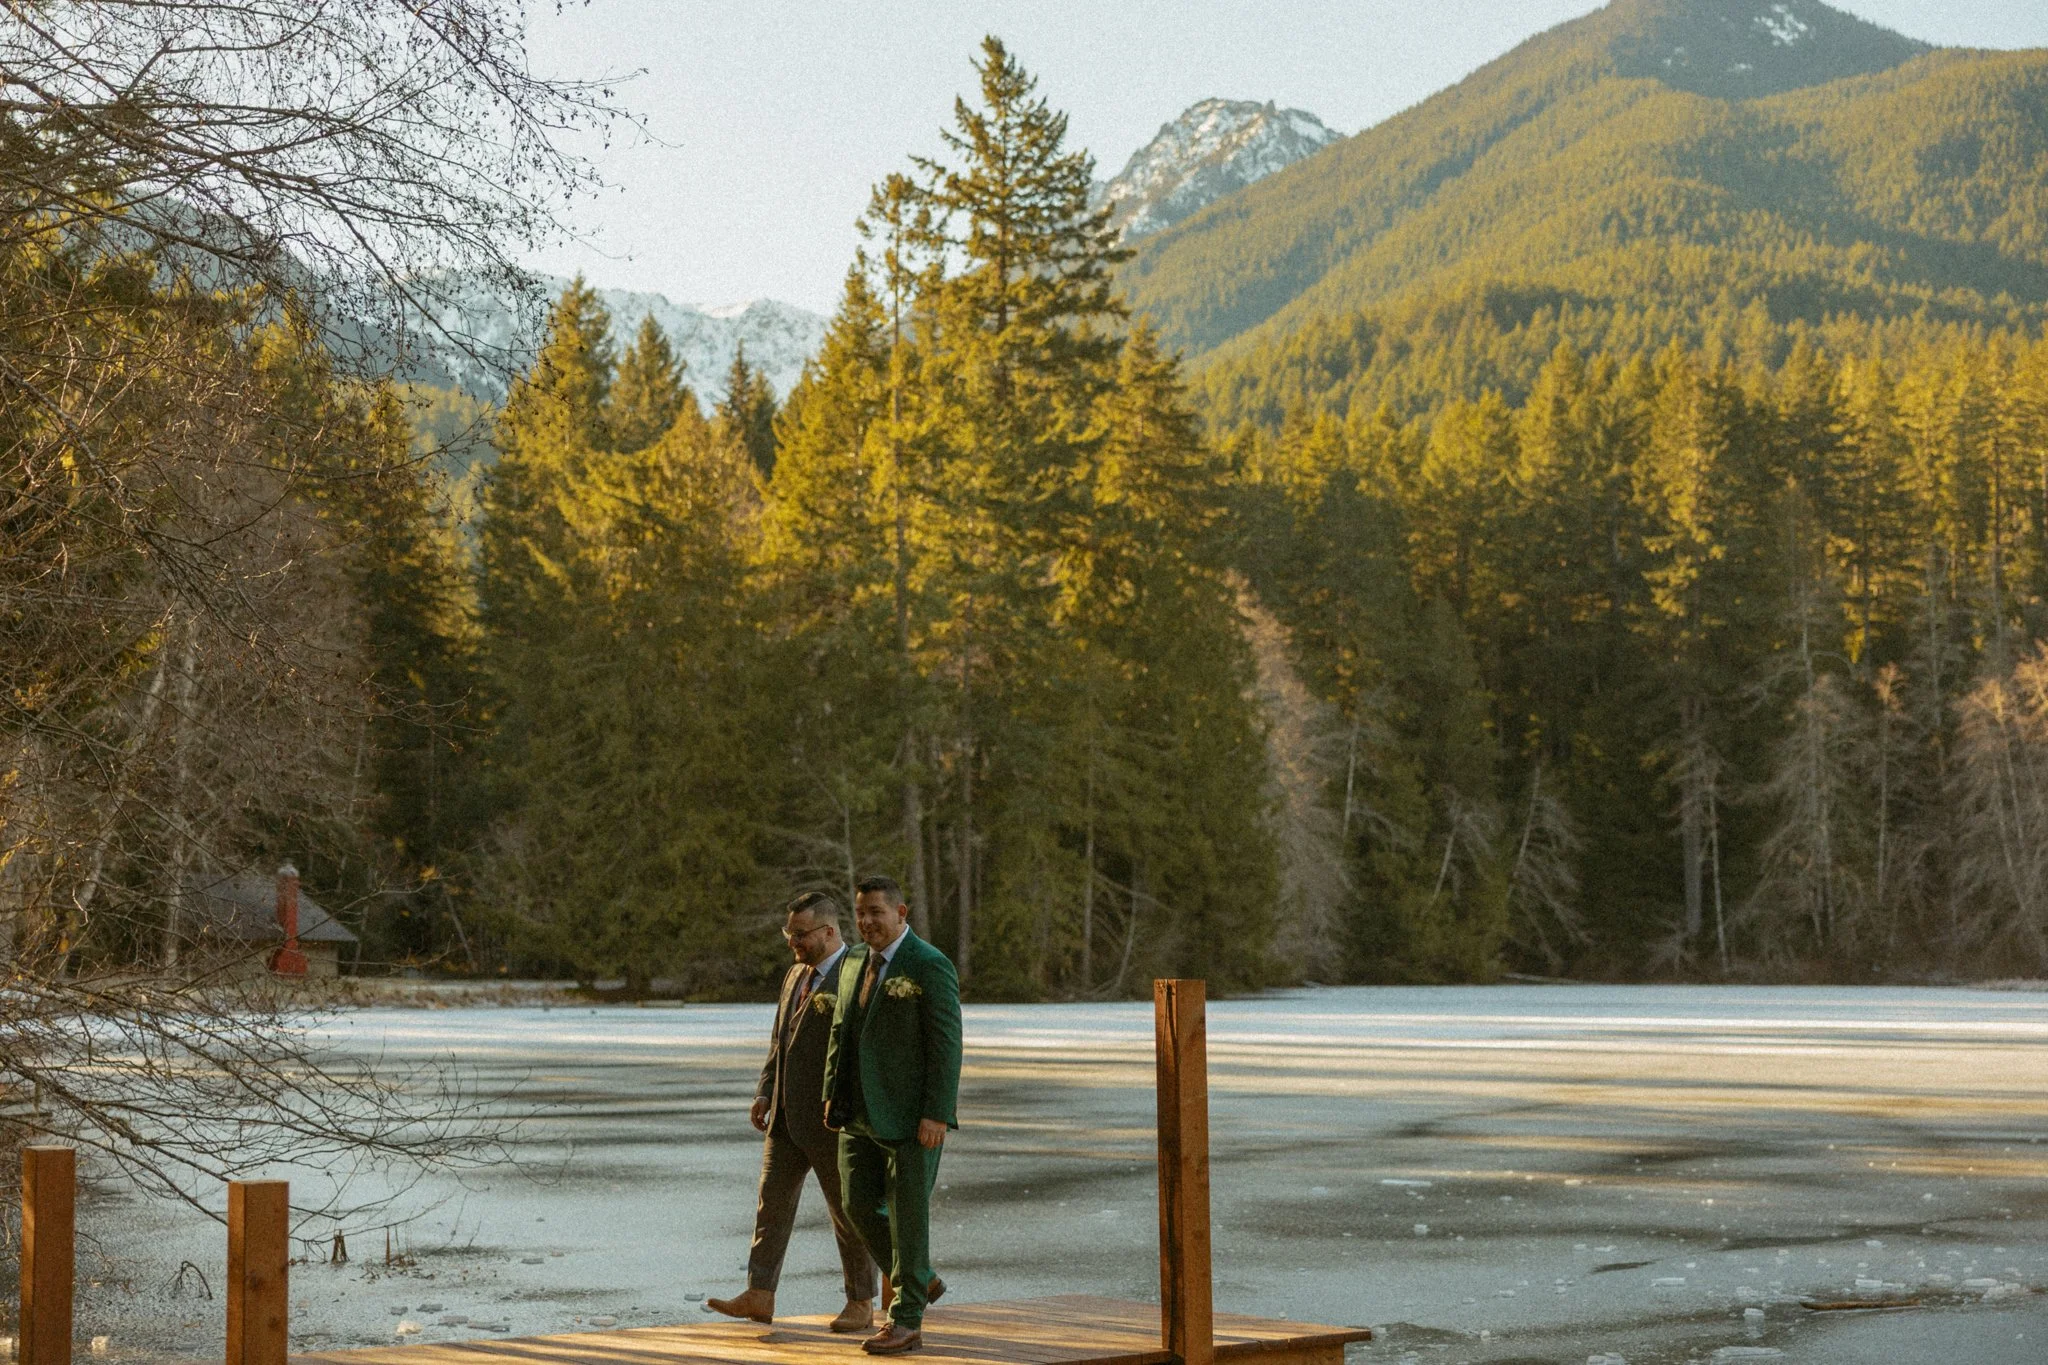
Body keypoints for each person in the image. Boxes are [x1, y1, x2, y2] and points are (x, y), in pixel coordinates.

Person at [707, 891, 879, 1332]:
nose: (792, 943)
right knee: (771, 1205)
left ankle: (861, 1301)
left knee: (846, 1213)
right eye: (789, 933)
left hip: (831, 1119)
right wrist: (765, 1091)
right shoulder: (793, 975)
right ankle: (760, 1294)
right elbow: (779, 1042)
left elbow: (864, 1052)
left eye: (800, 935)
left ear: (829, 930)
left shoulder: (855, 975)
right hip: (784, 1116)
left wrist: (849, 1109)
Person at [822, 875, 962, 1356]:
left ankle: (906, 1320)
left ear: (901, 913)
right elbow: (842, 1029)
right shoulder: (855, 960)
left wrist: (937, 1113)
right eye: (860, 913)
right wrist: (830, 1094)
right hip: (856, 1112)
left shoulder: (929, 964)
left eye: (876, 913)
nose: (866, 922)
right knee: (856, 1205)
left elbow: (946, 1044)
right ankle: (921, 1280)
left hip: (910, 1117)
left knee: (909, 1218)